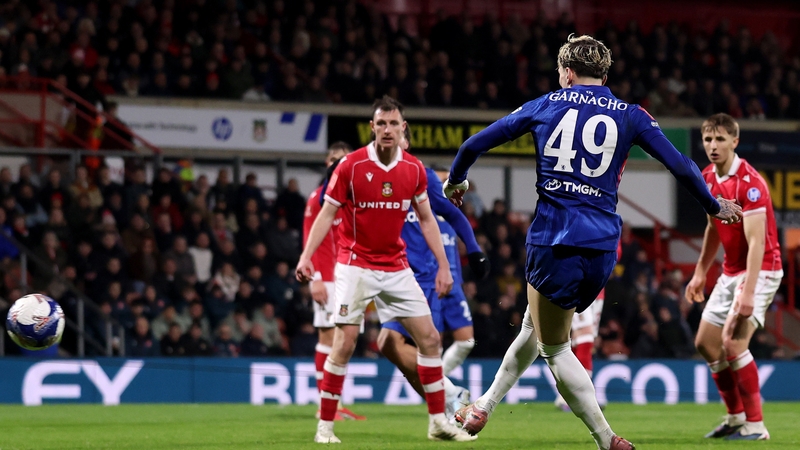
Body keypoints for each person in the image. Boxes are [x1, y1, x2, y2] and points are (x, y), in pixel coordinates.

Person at [442, 34, 742, 450]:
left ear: (567, 72)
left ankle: (607, 440)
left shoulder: (546, 104)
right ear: (605, 72)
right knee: (536, 325)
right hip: (603, 247)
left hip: (554, 240)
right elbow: (682, 165)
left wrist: (456, 181)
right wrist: (711, 204)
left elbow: (472, 144)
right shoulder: (631, 114)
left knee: (554, 346)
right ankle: (485, 406)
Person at [296, 96, 475, 443]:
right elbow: (327, 214)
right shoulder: (350, 165)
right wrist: (307, 257)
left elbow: (427, 220)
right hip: (355, 264)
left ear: (403, 128)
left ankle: (438, 422)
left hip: (395, 265)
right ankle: (325, 427)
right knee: (345, 342)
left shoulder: (412, 169)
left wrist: (444, 265)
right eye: (382, 124)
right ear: (372, 128)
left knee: (430, 338)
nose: (388, 130)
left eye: (394, 124)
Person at [685, 113, 782, 441]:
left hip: (762, 269)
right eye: (708, 140)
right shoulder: (707, 177)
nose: (713, 146)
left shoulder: (750, 183)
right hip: (730, 271)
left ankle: (756, 426)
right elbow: (714, 226)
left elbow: (757, 244)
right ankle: (736, 417)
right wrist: (700, 272)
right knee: (706, 344)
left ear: (734, 142)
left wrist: (749, 293)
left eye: (720, 139)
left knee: (733, 341)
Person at [377, 142, 490, 419]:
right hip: (393, 273)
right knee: (391, 345)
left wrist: (470, 253)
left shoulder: (419, 175)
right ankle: (447, 405)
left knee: (403, 343)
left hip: (423, 278)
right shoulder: (375, 176)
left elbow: (453, 214)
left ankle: (448, 401)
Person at [303, 141, 366, 422]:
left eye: (341, 159)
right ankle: (324, 406)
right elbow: (309, 237)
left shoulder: (355, 197)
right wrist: (315, 277)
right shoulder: (318, 197)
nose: (336, 163)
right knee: (328, 338)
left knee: (344, 342)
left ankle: (335, 404)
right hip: (327, 279)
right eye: (332, 159)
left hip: (351, 277)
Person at [554, 243, 622, 412]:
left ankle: (565, 395)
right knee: (585, 341)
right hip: (578, 286)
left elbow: (616, 252)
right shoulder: (579, 218)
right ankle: (583, 397)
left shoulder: (610, 219)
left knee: (580, 342)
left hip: (598, 291)